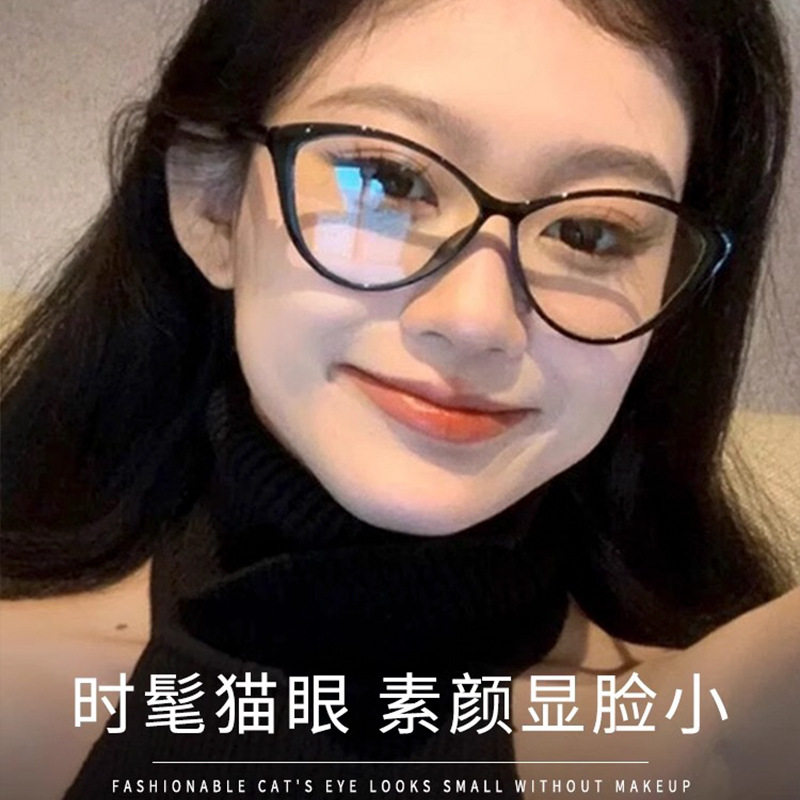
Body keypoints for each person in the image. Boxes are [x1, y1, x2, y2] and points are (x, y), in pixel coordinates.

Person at [1, 0, 798, 798]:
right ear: (213, 203)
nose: (476, 321)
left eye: (590, 235)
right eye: (390, 180)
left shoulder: (725, 740)